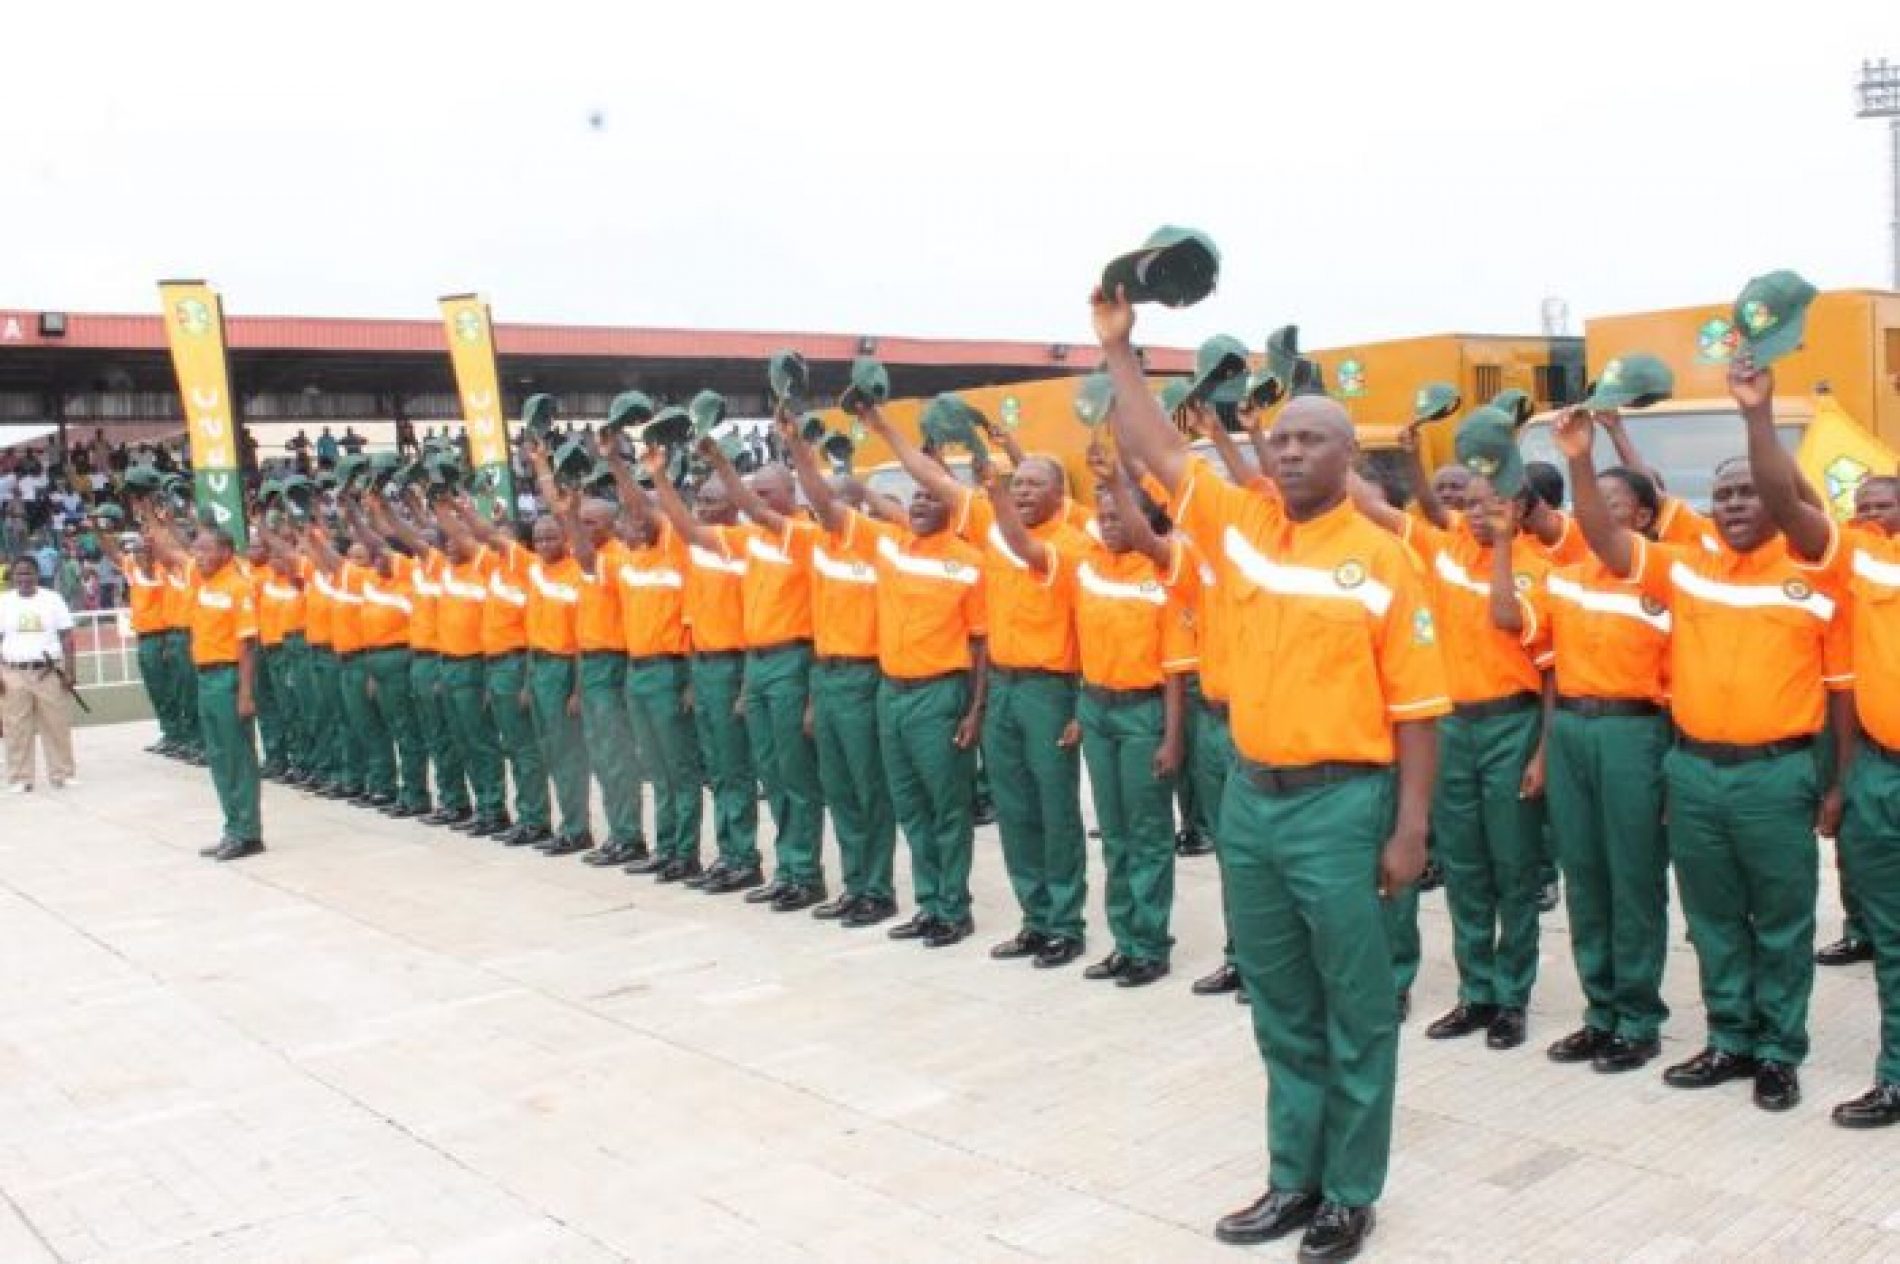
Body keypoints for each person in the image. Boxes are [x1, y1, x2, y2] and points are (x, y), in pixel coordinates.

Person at [1097, 282, 1444, 1261]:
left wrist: (1410, 828)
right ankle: (1292, 1177)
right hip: (1251, 798)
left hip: (1344, 804)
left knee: (1356, 1004)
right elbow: (1159, 446)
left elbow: (1419, 711)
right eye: (1280, 438)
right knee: (1281, 1001)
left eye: (1311, 439)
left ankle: (1350, 1192)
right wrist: (1121, 348)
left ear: (1346, 457)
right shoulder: (1235, 525)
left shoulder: (1382, 559)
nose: (1289, 450)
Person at [1557, 379, 1850, 1115]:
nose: (1737, 504)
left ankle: (1780, 1050)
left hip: (1775, 775)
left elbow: (1842, 691)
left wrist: (1756, 416)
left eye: (1752, 492)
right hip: (1692, 771)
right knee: (1712, 916)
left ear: (1780, 502)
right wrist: (1580, 464)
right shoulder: (1685, 567)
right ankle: (1731, 1038)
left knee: (1780, 920)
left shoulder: (1813, 564)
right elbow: (1604, 539)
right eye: (1725, 495)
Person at [864, 402, 1094, 970]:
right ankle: (1034, 919)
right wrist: (883, 427)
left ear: (1059, 496)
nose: (1021, 493)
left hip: (1049, 691)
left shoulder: (1071, 544)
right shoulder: (993, 523)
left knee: (1054, 811)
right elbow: (929, 476)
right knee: (1015, 811)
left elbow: (1024, 548)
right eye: (1018, 485)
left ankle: (1065, 922)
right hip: (1006, 691)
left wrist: (992, 487)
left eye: (1034, 486)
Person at [1734, 366, 1900, 1129]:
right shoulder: (1862, 558)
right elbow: (1789, 502)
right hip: (1882, 775)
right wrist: (1760, 416)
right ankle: (1896, 1075)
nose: (1880, 516)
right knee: (1893, 941)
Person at [1357, 409, 1552, 1053]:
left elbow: (1506, 621)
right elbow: (1373, 506)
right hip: (1452, 729)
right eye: (1470, 502)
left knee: (1513, 868)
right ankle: (1476, 992)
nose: (1476, 511)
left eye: (1492, 502)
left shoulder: (1534, 565)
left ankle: (1512, 997)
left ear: (1520, 506)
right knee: (1466, 867)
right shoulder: (1438, 551)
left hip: (1510, 726)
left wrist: (1500, 544)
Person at [795, 410, 990, 947]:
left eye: (933, 497)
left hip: (939, 695)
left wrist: (975, 711)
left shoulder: (969, 561)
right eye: (917, 498)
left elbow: (981, 644)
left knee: (946, 807)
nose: (924, 504)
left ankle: (955, 907)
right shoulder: (889, 546)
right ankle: (930, 904)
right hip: (891, 694)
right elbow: (826, 506)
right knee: (910, 807)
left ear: (952, 505)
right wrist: (799, 452)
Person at [1539, 463, 1674, 1073]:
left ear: (1643, 517)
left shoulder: (1664, 577)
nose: (1593, 512)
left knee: (1633, 878)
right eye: (1586, 501)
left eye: (1610, 503)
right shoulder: (1563, 577)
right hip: (1571, 729)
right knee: (1585, 876)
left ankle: (1639, 1018)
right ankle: (1600, 1013)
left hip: (1633, 731)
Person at [1066, 443, 1195, 987]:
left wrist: (1171, 737)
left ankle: (1151, 944)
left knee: (1147, 834)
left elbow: (1174, 669)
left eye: (1121, 514)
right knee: (1114, 833)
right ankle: (1124, 939)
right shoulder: (1088, 567)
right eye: (1103, 515)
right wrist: (1079, 711)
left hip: (1144, 715)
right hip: (1098, 712)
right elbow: (1079, 647)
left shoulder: (1163, 572)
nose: (1109, 524)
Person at [689, 438, 830, 911]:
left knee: (795, 775)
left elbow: (749, 507)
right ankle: (787, 868)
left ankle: (806, 873)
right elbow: (690, 530)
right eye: (757, 494)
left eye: (768, 494)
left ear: (792, 494)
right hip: (758, 662)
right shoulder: (749, 543)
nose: (759, 503)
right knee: (771, 773)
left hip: (793, 661)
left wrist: (722, 463)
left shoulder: (804, 535)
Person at [779, 416, 900, 926]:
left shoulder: (875, 540)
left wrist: (798, 450)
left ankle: (878, 888)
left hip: (862, 677)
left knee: (869, 789)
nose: (820, 511)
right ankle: (855, 885)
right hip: (825, 677)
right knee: (841, 790)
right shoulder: (816, 547)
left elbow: (823, 500)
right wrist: (810, 696)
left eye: (832, 504)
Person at [642, 445, 764, 894]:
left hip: (735, 666)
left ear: (736, 505)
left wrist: (743, 685)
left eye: (714, 502)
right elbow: (672, 523)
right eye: (702, 503)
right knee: (716, 766)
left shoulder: (746, 545)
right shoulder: (696, 553)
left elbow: (685, 527)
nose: (705, 510)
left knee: (735, 769)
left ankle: (744, 857)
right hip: (706, 666)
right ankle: (727, 852)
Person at [600, 442, 705, 882]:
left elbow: (645, 507)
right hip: (636, 671)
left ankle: (686, 851)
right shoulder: (627, 561)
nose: (632, 520)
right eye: (625, 518)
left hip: (668, 670)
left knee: (679, 767)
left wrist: (622, 466)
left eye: (638, 514)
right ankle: (666, 846)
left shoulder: (674, 550)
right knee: (656, 768)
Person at [1813, 474, 1900, 968]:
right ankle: (1859, 926)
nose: (1871, 513)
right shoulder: (1845, 554)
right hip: (1843, 707)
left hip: (1882, 721)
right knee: (1848, 824)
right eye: (1863, 504)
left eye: (1883, 505)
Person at [450, 496, 554, 848]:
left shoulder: (526, 569)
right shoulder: (493, 570)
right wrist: (445, 509)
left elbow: (485, 536)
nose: (495, 543)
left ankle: (535, 818)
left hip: (515, 663)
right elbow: (465, 538)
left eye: (504, 540)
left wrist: (466, 510)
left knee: (524, 749)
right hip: (493, 665)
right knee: (510, 744)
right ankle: (516, 813)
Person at [185, 527, 264, 860]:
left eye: (206, 550)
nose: (198, 556)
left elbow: (248, 645)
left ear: (227, 551)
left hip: (228, 678)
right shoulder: (204, 583)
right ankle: (232, 827)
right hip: (206, 678)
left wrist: (245, 693)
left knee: (237, 758)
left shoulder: (238, 587)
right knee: (218, 757)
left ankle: (247, 833)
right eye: (196, 550)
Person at [0, 551, 78, 792]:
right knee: (16, 727)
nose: (24, 578)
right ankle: (21, 778)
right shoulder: (3, 602)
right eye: (20, 573)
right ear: (13, 576)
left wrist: (70, 671)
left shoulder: (52, 600)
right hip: (13, 672)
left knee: (56, 724)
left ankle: (62, 773)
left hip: (49, 671)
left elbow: (66, 637)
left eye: (29, 573)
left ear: (37, 575)